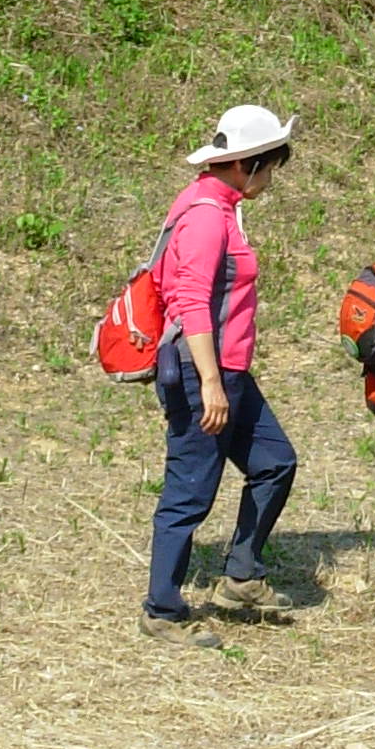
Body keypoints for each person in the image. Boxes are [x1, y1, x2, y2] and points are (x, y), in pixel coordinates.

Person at [140, 105, 300, 648]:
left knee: (275, 462)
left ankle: (242, 575)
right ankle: (162, 609)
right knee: (189, 492)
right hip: (203, 371)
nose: (271, 178)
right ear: (246, 164)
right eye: (270, 166)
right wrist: (209, 381)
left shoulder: (214, 203)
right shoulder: (208, 216)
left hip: (228, 370)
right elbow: (191, 301)